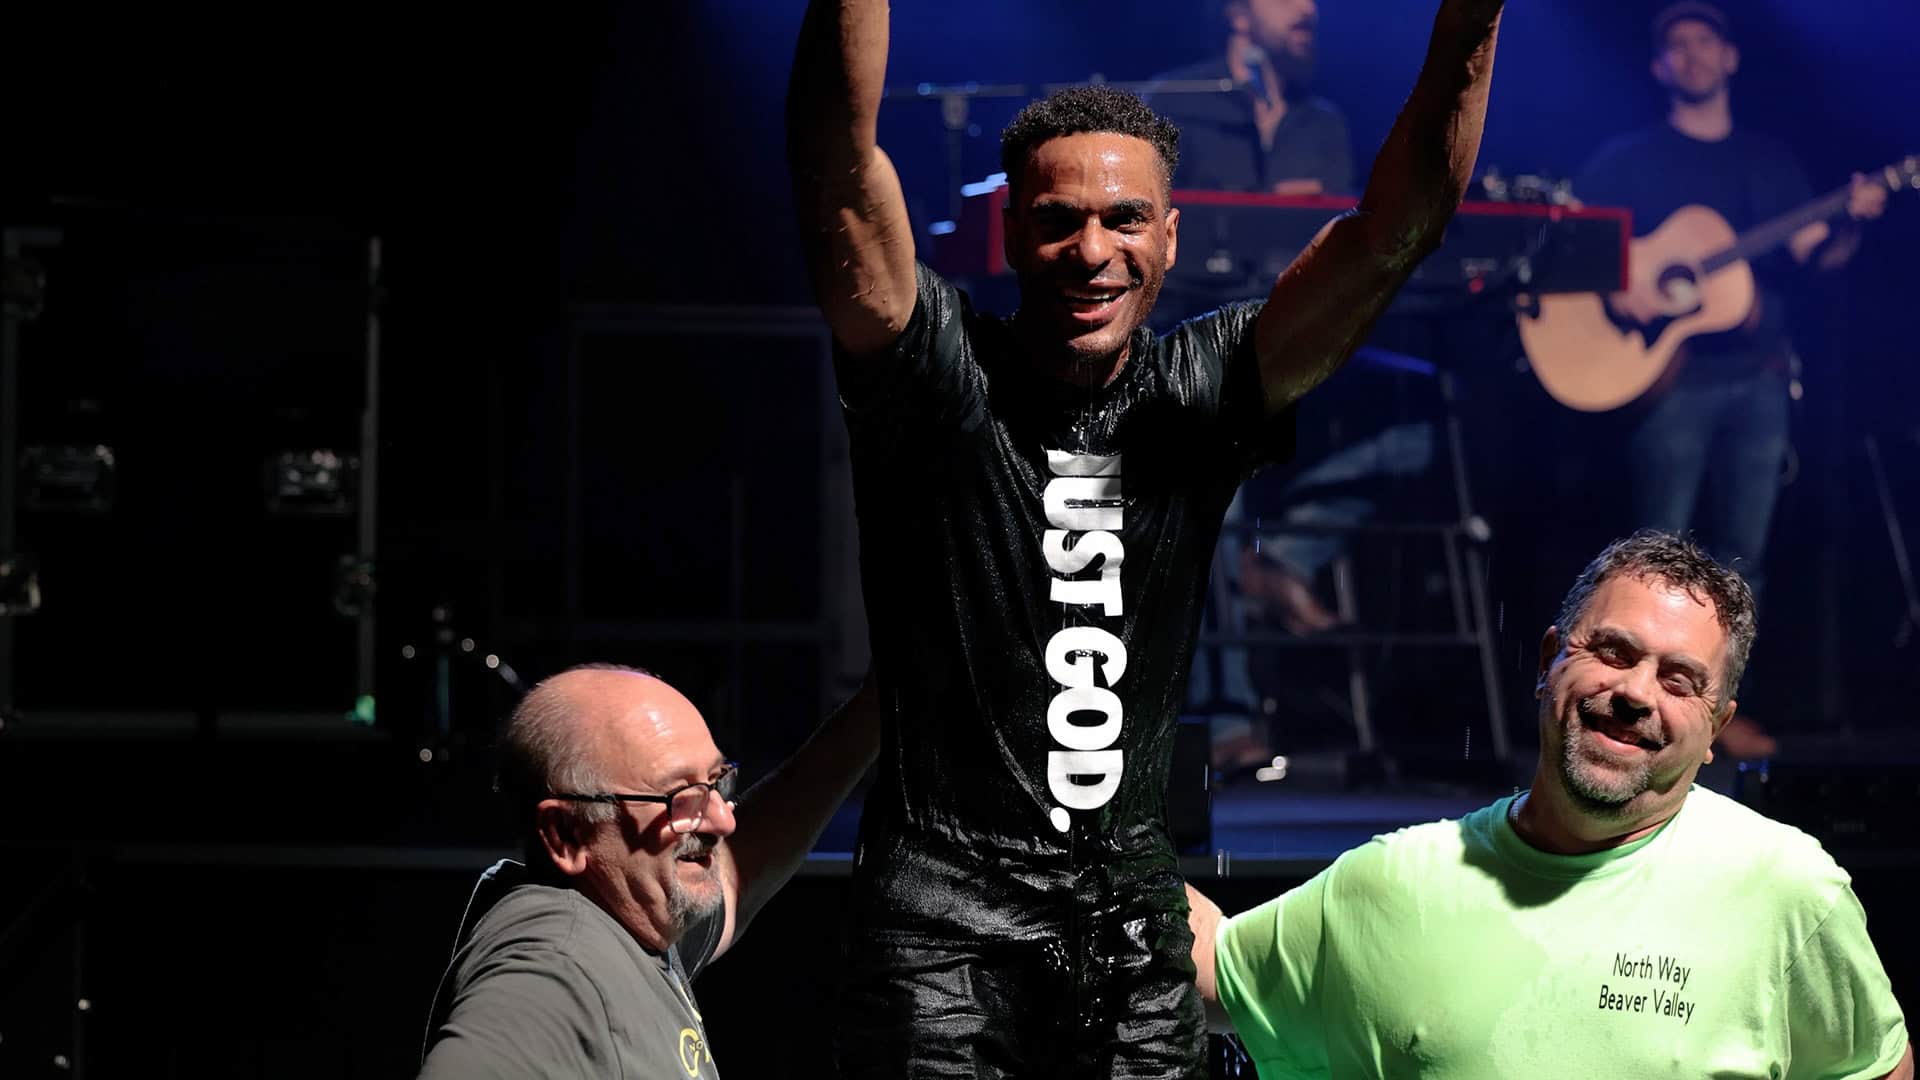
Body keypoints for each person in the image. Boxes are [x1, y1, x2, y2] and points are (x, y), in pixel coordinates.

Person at [785, 0, 1504, 1073]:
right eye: (1056, 221)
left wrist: (1471, 21)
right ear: (1009, 231)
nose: (1092, 251)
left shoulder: (1197, 393)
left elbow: (1395, 229)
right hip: (939, 926)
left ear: (1171, 236)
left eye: (1125, 220)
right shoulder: (936, 377)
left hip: (1129, 923)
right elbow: (837, 168)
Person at [1187, 531, 1914, 1078]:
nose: (1636, 694)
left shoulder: (1788, 890)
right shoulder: (1392, 885)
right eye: (1615, 651)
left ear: (1717, 727)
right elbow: (1214, 969)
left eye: (1680, 680)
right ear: (1548, 662)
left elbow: (1878, 1069)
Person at [1574, 1, 1888, 759]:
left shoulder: (1769, 161)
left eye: (1704, 41)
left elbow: (1819, 254)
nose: (1691, 55)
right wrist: (1625, 287)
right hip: (1667, 381)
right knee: (1657, 549)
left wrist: (1853, 219)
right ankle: (1631, 706)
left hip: (1758, 380)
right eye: (1674, 45)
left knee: (1743, 560)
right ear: (1658, 66)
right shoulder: (1629, 158)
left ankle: (1711, 714)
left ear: (1730, 58)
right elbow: (1576, 241)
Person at [1148, 1, 1443, 768]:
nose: (1310, 11)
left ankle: (1280, 557)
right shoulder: (1174, 101)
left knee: (1421, 428)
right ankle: (1228, 719)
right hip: (1206, 351)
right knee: (1211, 476)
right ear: (1240, 13)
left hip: (1306, 349)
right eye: (1291, 1)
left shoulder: (1326, 122)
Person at [417, 665, 877, 1078]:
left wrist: (874, 711)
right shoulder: (554, 965)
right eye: (679, 797)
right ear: (565, 834)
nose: (723, 819)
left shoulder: (625, 920)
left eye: (716, 783)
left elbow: (739, 871)